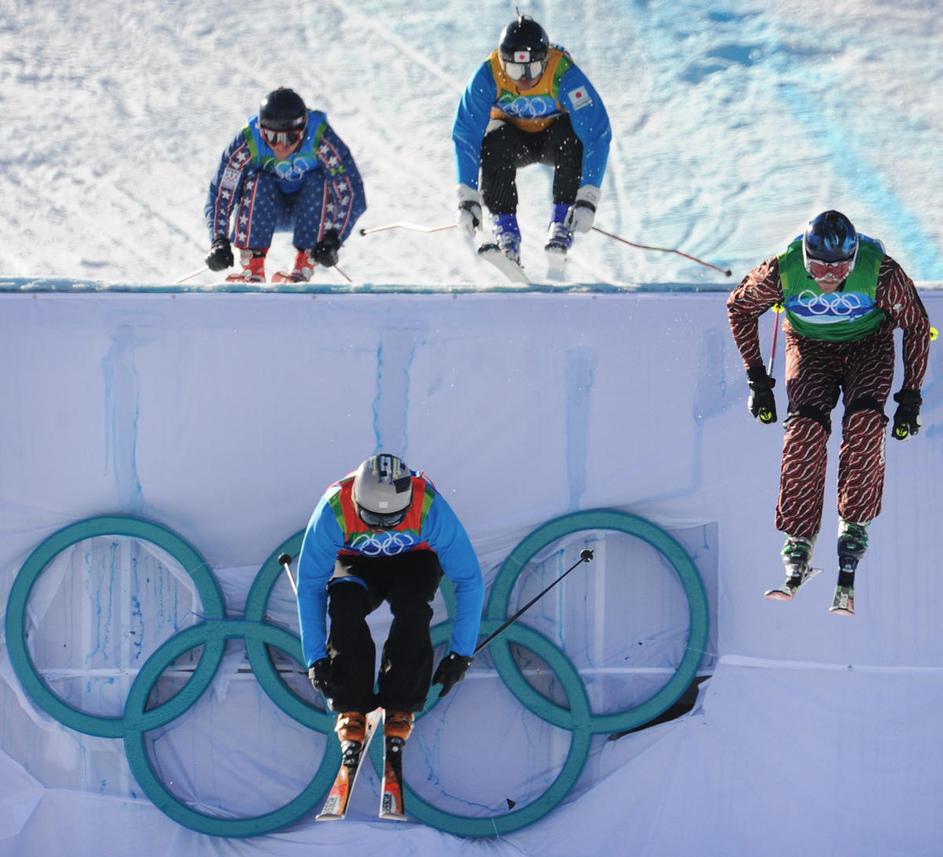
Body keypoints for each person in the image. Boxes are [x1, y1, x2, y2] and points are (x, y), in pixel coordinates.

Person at [727, 210, 930, 615]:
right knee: (804, 430)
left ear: (854, 260)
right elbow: (740, 308)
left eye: (839, 267)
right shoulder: (781, 270)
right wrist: (756, 379)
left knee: (865, 424)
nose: (828, 276)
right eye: (818, 266)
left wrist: (910, 395)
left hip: (867, 346)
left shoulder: (881, 273)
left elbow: (917, 325)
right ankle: (799, 536)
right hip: (810, 347)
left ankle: (854, 522)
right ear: (804, 256)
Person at [296, 453, 484, 751]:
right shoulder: (333, 509)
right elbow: (310, 586)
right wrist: (315, 658)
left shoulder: (429, 506)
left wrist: (461, 653)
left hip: (414, 560)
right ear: (356, 500)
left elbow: (469, 580)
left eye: (391, 520)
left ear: (408, 503)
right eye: (372, 519)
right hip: (357, 561)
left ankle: (401, 702)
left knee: (413, 609)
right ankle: (352, 706)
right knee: (345, 605)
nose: (381, 528)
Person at [451, 14, 611, 270]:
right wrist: (467, 197)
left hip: (554, 139)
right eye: (514, 70)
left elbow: (596, 133)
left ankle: (561, 225)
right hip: (513, 140)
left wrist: (588, 197)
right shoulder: (487, 75)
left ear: (545, 60)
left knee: (571, 136)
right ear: (502, 62)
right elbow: (466, 135)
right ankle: (507, 234)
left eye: (533, 69)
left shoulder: (564, 74)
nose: (524, 79)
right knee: (493, 140)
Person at [203, 87, 366, 283]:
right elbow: (223, 192)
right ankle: (252, 268)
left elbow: (350, 191)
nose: (281, 146)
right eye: (272, 137)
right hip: (261, 211)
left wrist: (334, 238)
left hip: (311, 212)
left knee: (318, 180)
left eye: (290, 137)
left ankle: (304, 264)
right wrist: (219, 240)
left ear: (303, 129)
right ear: (261, 131)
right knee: (259, 181)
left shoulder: (320, 139)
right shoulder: (248, 142)